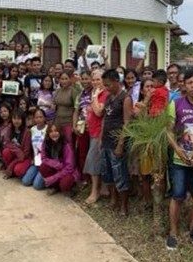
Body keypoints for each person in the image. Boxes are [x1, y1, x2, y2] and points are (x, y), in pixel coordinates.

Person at [166, 70, 193, 250]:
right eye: (190, 82)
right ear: (184, 85)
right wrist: (177, 149)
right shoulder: (175, 103)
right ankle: (173, 231)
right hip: (180, 159)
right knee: (177, 195)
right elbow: (168, 131)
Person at [100, 69, 133, 216]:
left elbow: (127, 123)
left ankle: (124, 206)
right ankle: (114, 200)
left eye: (108, 85)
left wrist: (120, 144)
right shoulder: (109, 97)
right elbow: (105, 119)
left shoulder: (125, 98)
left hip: (117, 143)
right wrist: (101, 138)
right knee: (108, 174)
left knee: (120, 175)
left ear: (116, 82)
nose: (106, 88)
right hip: (106, 141)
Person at [83, 69, 107, 205]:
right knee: (98, 160)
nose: (95, 82)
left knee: (92, 160)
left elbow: (98, 112)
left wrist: (95, 97)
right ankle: (102, 188)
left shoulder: (103, 94)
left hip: (100, 132)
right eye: (94, 80)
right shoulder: (95, 92)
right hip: (92, 131)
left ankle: (94, 191)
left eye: (98, 79)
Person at [39, 122, 79, 195]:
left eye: (56, 131)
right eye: (51, 131)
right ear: (48, 133)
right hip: (56, 169)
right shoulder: (46, 143)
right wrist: (55, 164)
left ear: (60, 132)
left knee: (65, 184)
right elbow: (43, 158)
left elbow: (69, 168)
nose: (54, 133)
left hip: (66, 172)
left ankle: (69, 188)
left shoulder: (66, 145)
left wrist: (54, 178)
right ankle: (55, 187)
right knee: (43, 167)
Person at [21, 109, 49, 190]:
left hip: (45, 162)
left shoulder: (48, 129)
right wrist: (32, 158)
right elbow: (30, 147)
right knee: (25, 182)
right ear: (34, 119)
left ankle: (48, 178)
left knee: (37, 186)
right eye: (36, 117)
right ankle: (37, 175)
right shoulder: (32, 129)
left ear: (45, 118)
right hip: (36, 161)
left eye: (41, 117)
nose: (39, 119)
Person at [2, 111, 32, 179]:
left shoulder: (27, 132)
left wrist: (11, 165)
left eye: (19, 119)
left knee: (18, 171)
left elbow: (25, 153)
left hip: (24, 157)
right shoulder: (9, 128)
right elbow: (6, 143)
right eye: (14, 118)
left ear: (22, 120)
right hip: (16, 154)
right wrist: (17, 150)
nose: (16, 121)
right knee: (5, 151)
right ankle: (10, 170)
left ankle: (10, 169)